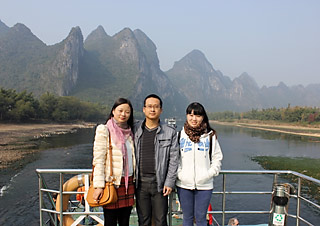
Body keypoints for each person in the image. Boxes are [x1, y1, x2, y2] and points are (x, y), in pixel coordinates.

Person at [134, 94, 179, 226]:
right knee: (143, 221)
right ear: (144, 109)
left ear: (161, 110)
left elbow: (174, 159)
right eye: (149, 106)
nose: (152, 109)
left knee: (161, 221)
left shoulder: (170, 132)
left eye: (156, 107)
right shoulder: (135, 129)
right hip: (140, 183)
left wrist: (169, 182)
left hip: (160, 184)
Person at [176, 102, 223, 226]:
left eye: (197, 115)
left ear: (203, 117)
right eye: (190, 115)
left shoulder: (210, 136)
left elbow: (217, 158)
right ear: (186, 116)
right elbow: (175, 159)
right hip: (183, 184)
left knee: (201, 218)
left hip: (205, 186)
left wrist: (208, 174)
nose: (194, 118)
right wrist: (180, 175)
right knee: (187, 218)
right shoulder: (180, 136)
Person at [92, 98, 135, 226]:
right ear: (113, 111)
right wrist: (98, 186)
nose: (123, 114)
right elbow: (98, 160)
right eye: (120, 110)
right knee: (110, 221)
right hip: (112, 182)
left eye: (127, 112)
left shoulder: (131, 132)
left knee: (125, 221)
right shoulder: (104, 130)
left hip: (128, 182)